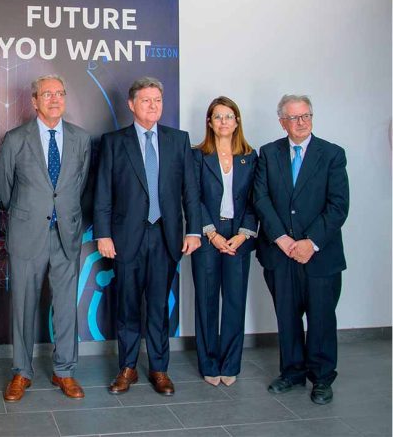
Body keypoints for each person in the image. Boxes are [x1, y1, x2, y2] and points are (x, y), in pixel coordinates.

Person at [94, 76, 201, 396]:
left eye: (158, 100)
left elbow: (190, 191)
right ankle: (127, 368)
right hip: (127, 238)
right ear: (131, 104)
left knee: (158, 306)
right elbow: (102, 192)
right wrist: (103, 234)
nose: (153, 106)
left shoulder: (178, 140)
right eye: (146, 100)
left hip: (166, 236)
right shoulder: (114, 142)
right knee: (127, 306)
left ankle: (159, 368)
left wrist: (193, 230)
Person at [0, 75, 91, 402]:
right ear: (34, 101)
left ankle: (64, 371)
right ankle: (22, 372)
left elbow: (79, 185)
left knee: (66, 307)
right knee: (23, 307)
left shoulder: (81, 138)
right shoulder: (15, 139)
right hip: (27, 234)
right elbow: (4, 190)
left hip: (66, 233)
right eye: (47, 94)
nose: (54, 99)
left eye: (59, 93)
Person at [254, 94, 349, 405]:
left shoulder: (332, 154)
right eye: (294, 117)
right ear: (282, 122)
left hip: (320, 255)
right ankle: (292, 372)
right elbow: (261, 199)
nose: (302, 122)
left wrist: (311, 242)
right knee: (287, 317)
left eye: (306, 115)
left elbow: (338, 206)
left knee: (321, 318)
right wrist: (281, 238)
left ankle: (322, 378)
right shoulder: (268, 153)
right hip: (280, 254)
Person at [191, 96, 257, 387]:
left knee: (234, 301)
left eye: (229, 116)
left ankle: (230, 364)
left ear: (237, 121)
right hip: (208, 234)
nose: (223, 122)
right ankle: (209, 363)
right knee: (206, 301)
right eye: (217, 116)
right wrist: (212, 234)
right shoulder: (197, 155)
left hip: (239, 235)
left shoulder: (250, 157)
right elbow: (192, 197)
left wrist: (243, 234)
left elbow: (256, 199)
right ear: (209, 122)